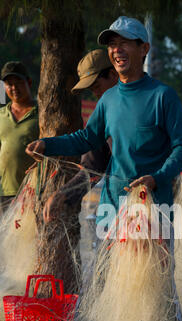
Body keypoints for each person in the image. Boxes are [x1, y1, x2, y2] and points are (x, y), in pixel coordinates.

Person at [26, 16, 182, 321]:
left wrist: (156, 178)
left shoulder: (162, 96)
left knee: (158, 281)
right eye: (112, 44)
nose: (116, 50)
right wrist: (47, 144)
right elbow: (87, 139)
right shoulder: (109, 99)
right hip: (112, 207)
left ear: (143, 49)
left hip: (152, 207)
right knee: (101, 276)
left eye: (125, 42)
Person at [43, 49, 118, 224]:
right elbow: (92, 167)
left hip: (155, 206)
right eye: (91, 90)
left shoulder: (153, 96)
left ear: (113, 75)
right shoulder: (103, 116)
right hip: (115, 208)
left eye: (97, 87)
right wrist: (64, 194)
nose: (95, 94)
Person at [0, 62, 38, 211]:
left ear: (28, 82)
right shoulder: (1, 115)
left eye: (19, 83)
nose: (14, 88)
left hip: (30, 192)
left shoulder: (42, 113)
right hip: (3, 192)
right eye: (9, 84)